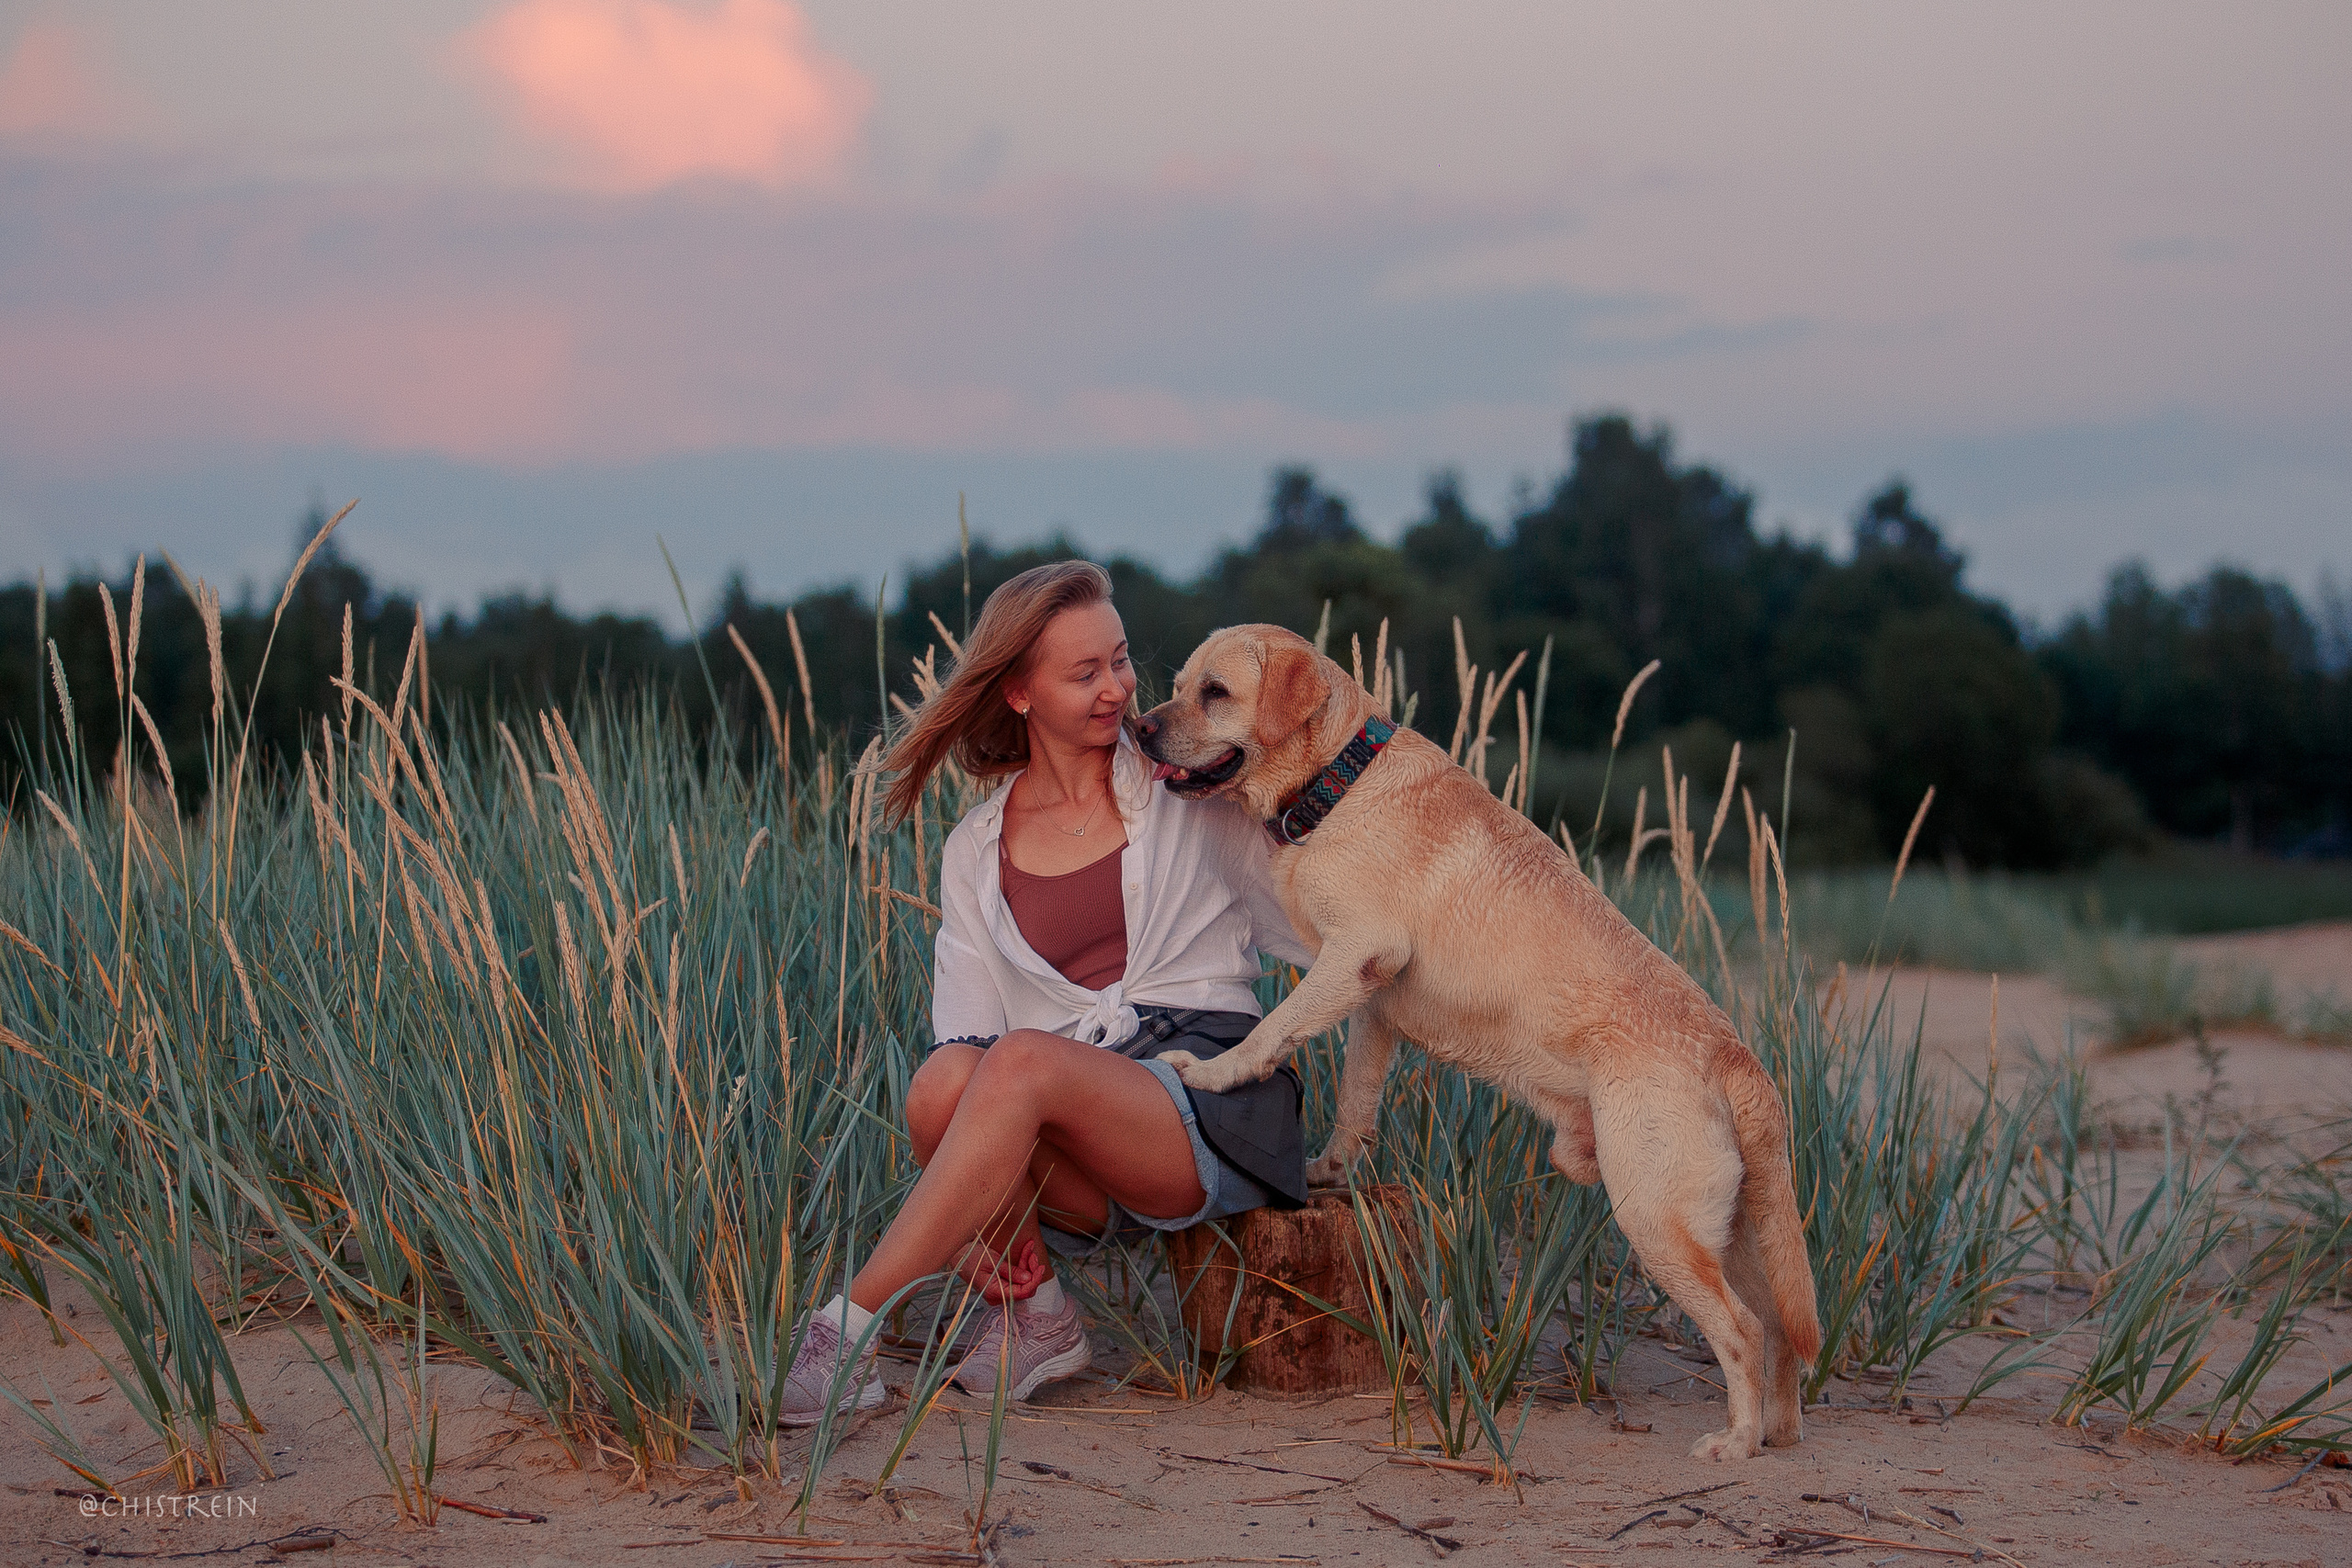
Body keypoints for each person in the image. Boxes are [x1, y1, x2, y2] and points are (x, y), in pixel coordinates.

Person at [778, 559, 1313, 1422]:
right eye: (1086, 673)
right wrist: (972, 1224)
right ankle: (1038, 1316)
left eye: (1122, 659)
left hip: (1211, 1100)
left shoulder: (1191, 788)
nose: (1119, 690)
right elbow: (962, 1041)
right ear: (1021, 694)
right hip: (1080, 1125)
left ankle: (846, 1325)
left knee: (1022, 1062)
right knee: (939, 1087)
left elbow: (1314, 909)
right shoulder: (974, 849)